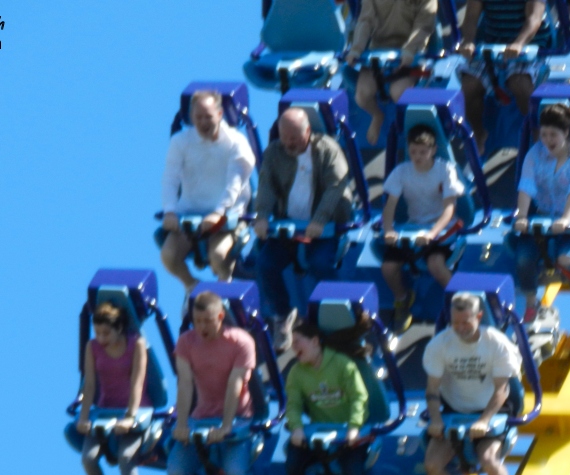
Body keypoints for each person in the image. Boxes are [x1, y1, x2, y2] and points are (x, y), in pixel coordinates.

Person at [423, 292, 522, 475]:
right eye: (455, 323)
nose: (460, 328)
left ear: (479, 317)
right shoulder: (440, 345)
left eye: (465, 322)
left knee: (489, 459)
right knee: (432, 465)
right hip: (454, 411)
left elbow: (503, 389)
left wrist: (485, 420)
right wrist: (435, 419)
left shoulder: (496, 344)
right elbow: (432, 390)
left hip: (490, 409)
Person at [254, 107, 355, 352]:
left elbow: (336, 187)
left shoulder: (327, 150)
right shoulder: (274, 153)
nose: (289, 142)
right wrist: (262, 216)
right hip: (289, 226)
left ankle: (336, 311)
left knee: (320, 263)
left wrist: (320, 219)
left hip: (325, 226)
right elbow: (266, 186)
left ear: (308, 131)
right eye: (284, 136)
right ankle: (282, 315)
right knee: (266, 264)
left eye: (294, 137)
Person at [168, 291, 257, 475]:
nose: (201, 327)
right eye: (197, 321)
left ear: (220, 317)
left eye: (207, 321)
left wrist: (226, 426)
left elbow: (234, 384)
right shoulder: (186, 342)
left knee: (235, 474)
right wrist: (181, 424)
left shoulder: (241, 342)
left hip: (237, 419)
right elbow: (185, 384)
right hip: (201, 417)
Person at [285, 319, 375, 475]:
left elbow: (359, 398)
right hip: (320, 434)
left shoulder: (343, 365)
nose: (293, 347)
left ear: (315, 342)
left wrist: (354, 428)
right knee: (292, 465)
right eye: (291, 343)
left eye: (298, 341)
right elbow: (293, 405)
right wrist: (296, 428)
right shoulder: (296, 373)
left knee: (352, 472)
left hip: (350, 434)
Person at [509, 103, 570, 331]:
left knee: (565, 260)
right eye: (544, 134)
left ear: (566, 133)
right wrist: (522, 216)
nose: (547, 140)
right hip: (544, 213)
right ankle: (531, 302)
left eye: (553, 134)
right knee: (523, 259)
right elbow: (526, 186)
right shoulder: (534, 155)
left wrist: (566, 219)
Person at [159, 90, 256, 293]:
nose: (203, 122)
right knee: (168, 256)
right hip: (190, 215)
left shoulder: (236, 142)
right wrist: (169, 210)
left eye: (208, 117)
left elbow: (235, 183)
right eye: (198, 117)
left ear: (220, 114)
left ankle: (223, 293)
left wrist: (219, 212)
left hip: (228, 218)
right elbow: (170, 178)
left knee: (219, 256)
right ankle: (193, 288)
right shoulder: (180, 142)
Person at [75, 302, 150, 475]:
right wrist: (84, 417)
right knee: (88, 457)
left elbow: (138, 382)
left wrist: (130, 417)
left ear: (119, 329)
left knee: (126, 456)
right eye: (98, 333)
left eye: (106, 333)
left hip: (134, 410)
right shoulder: (93, 347)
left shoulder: (136, 344)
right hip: (105, 411)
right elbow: (89, 385)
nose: (101, 338)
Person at [381, 124, 467, 333]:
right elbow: (390, 206)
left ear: (434, 149)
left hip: (442, 230)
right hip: (412, 229)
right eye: (413, 152)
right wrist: (388, 230)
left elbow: (449, 210)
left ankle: (463, 308)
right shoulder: (401, 172)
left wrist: (432, 233)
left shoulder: (445, 169)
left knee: (436, 265)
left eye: (423, 152)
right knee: (388, 268)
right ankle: (402, 298)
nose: (417, 156)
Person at [458, 0, 553, 153]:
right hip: (493, 46)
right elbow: (470, 17)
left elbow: (534, 19)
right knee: (468, 86)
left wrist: (518, 43)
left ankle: (538, 137)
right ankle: (478, 133)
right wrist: (468, 41)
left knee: (520, 83)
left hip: (529, 47)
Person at [345, 0, 439, 146]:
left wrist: (410, 50)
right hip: (379, 51)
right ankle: (377, 115)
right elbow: (365, 20)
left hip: (411, 54)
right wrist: (356, 49)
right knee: (362, 96)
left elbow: (424, 25)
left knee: (399, 93)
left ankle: (410, 128)